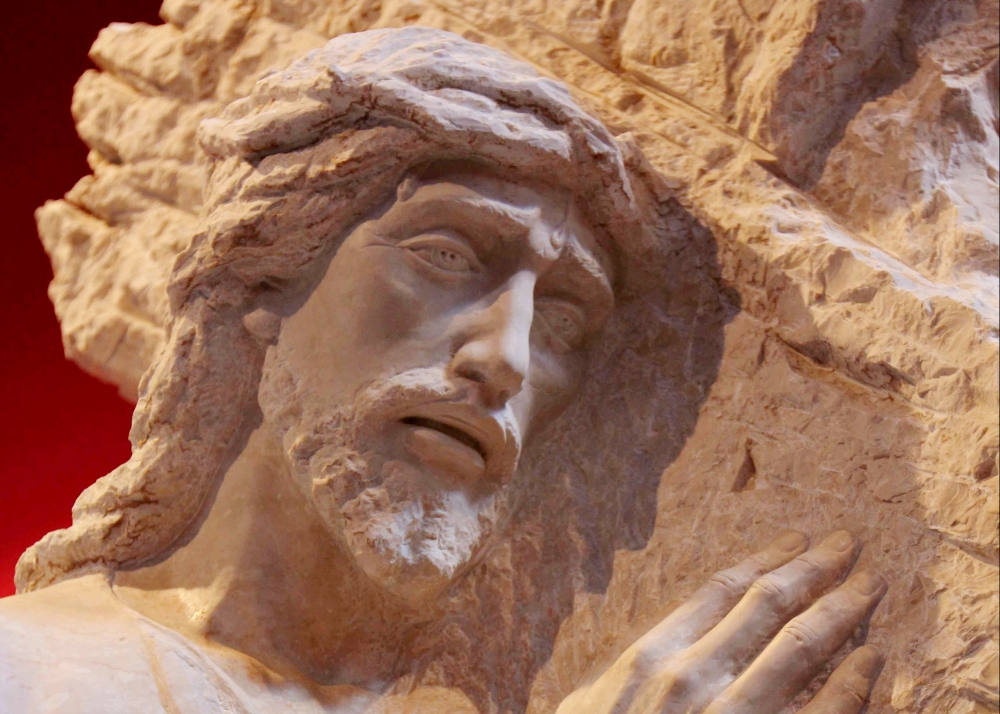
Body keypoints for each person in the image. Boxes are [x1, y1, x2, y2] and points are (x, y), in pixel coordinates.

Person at [0, 28, 887, 714]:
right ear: (265, 275)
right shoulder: (34, 673)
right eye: (446, 254)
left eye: (564, 318)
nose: (504, 359)